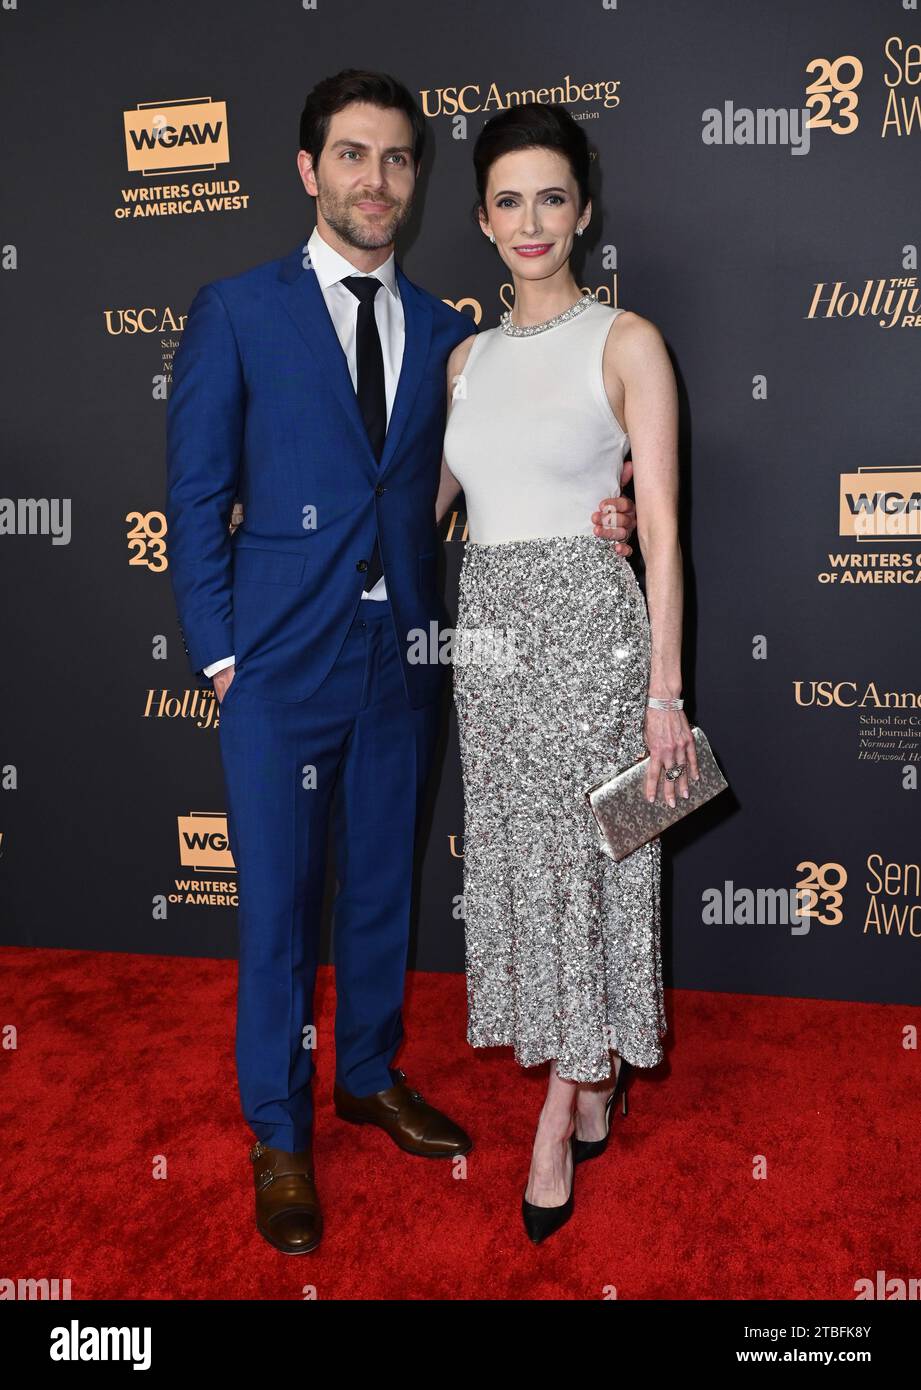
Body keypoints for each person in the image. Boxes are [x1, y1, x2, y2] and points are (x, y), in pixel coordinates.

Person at [165, 71, 638, 1255]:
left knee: (382, 885)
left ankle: (366, 1073)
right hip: (276, 665)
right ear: (307, 170)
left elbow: (483, 476)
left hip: (408, 655)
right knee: (277, 905)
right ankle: (279, 1133)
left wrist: (606, 515)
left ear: (420, 185)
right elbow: (192, 498)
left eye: (396, 160)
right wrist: (222, 657)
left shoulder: (446, 336)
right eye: (352, 156)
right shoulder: (236, 309)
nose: (374, 180)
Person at [439, 102, 698, 1243]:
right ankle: (587, 1073)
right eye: (509, 199)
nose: (532, 220)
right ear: (484, 219)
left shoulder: (627, 340)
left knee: (599, 868)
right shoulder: (462, 358)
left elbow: (665, 532)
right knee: (531, 873)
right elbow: (425, 509)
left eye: (553, 196)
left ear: (583, 209)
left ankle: (560, 1111)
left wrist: (665, 698)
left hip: (597, 642)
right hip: (489, 650)